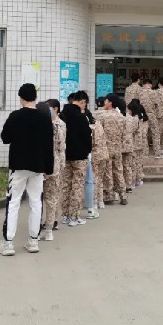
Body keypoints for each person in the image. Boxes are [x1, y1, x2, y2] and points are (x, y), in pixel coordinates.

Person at [0, 84, 54, 257]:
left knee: (13, 202)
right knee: (36, 202)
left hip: (18, 166)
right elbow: (49, 145)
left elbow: (5, 138)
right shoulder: (45, 118)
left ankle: (8, 243)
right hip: (38, 167)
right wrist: (49, 168)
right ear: (35, 97)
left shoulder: (15, 116)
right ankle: (33, 241)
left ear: (21, 97)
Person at [59, 91, 92, 227]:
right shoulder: (81, 117)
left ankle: (65, 215)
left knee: (66, 185)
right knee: (77, 186)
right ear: (82, 101)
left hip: (65, 155)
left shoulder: (62, 115)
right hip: (80, 156)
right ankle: (74, 216)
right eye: (85, 104)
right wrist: (87, 150)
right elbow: (87, 137)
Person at [40, 99, 66, 241]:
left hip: (51, 165)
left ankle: (48, 226)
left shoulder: (59, 125)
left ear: (55, 109)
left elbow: (61, 146)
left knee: (48, 197)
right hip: (50, 165)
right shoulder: (55, 124)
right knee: (44, 198)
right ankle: (43, 227)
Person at [96, 94, 127, 206]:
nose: (104, 103)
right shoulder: (121, 117)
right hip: (117, 147)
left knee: (107, 171)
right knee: (119, 170)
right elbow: (124, 133)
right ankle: (123, 194)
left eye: (106, 101)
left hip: (106, 147)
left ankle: (109, 195)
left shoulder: (102, 115)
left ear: (110, 103)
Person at [89, 99, 108, 215]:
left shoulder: (91, 128)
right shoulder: (99, 125)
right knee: (100, 178)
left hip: (95, 155)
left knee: (94, 179)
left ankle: (94, 202)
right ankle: (101, 201)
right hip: (104, 154)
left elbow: (91, 143)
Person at [140, 80, 162, 158]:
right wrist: (158, 115)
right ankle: (157, 153)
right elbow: (158, 105)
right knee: (155, 134)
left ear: (143, 85)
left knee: (143, 134)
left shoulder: (140, 93)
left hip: (143, 116)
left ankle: (145, 153)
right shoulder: (155, 93)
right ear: (151, 85)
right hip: (152, 115)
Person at [123, 101, 140, 192]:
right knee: (128, 166)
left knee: (121, 167)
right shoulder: (132, 119)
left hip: (122, 146)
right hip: (130, 144)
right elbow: (135, 130)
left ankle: (123, 185)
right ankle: (129, 185)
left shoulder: (121, 118)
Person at [133, 101, 149, 187]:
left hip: (135, 146)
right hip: (139, 146)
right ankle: (138, 179)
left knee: (135, 163)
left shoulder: (134, 120)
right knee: (138, 162)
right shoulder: (142, 121)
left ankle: (135, 181)